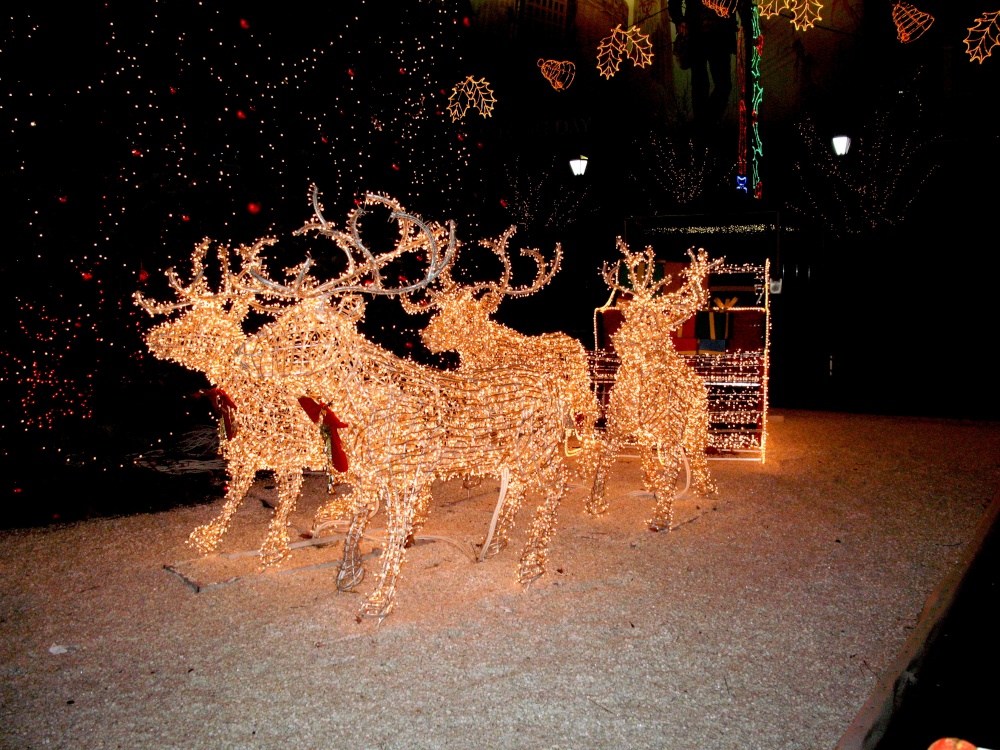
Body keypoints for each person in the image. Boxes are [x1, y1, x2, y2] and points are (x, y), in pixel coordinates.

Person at [668, 0, 739, 126]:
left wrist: (680, 20)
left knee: (718, 84)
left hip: (716, 35)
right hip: (699, 35)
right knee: (703, 83)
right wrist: (680, 20)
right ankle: (705, 123)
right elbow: (674, 3)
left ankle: (704, 122)